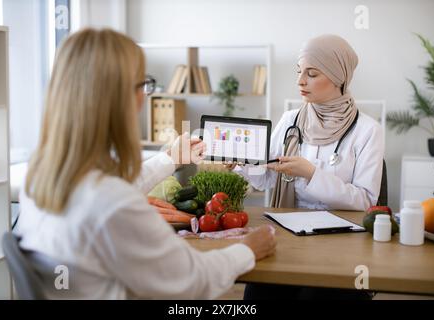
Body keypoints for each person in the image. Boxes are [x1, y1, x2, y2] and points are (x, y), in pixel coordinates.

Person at [14, 28, 276, 300]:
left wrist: (171, 159)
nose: (145, 95)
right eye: (143, 84)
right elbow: (190, 280)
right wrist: (247, 250)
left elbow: (115, 188)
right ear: (119, 98)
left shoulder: (41, 177)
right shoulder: (112, 205)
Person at [227, 34, 383, 299]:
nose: (300, 81)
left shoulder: (368, 130)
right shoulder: (291, 120)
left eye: (311, 74)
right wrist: (241, 163)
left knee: (313, 297)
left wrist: (311, 173)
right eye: (299, 72)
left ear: (338, 77)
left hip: (342, 241)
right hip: (290, 236)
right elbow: (266, 178)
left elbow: (365, 200)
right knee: (257, 291)